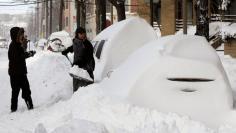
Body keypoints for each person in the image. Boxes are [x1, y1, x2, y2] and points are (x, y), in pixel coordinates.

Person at [8, 27, 36, 112]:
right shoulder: (13, 46)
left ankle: (30, 106)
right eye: (21, 35)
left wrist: (27, 50)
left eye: (22, 34)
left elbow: (22, 53)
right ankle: (13, 109)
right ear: (16, 36)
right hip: (15, 74)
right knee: (15, 92)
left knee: (26, 90)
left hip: (21, 72)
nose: (22, 36)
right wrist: (28, 54)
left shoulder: (18, 45)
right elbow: (18, 58)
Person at [62, 27, 95, 92]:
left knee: (86, 86)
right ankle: (76, 98)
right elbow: (73, 48)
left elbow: (89, 56)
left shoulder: (87, 44)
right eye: (81, 34)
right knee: (76, 85)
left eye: (83, 33)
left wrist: (80, 62)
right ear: (77, 34)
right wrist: (67, 50)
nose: (82, 35)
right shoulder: (76, 42)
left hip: (86, 67)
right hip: (77, 67)